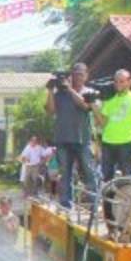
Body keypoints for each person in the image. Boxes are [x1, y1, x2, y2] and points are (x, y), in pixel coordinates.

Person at [45, 62, 100, 207]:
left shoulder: (89, 92)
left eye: (81, 74)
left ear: (86, 76)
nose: (78, 77)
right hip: (62, 139)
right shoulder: (60, 94)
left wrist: (69, 89)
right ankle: (66, 203)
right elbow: (50, 111)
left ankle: (94, 202)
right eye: (75, 74)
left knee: (89, 171)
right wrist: (50, 91)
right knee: (65, 174)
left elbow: (85, 106)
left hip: (82, 140)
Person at [98, 68, 131, 181]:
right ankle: (106, 199)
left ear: (130, 82)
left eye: (121, 81)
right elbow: (102, 123)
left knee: (127, 178)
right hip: (107, 143)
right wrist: (94, 105)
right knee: (106, 178)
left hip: (126, 144)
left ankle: (125, 199)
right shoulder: (109, 100)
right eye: (116, 81)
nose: (118, 84)